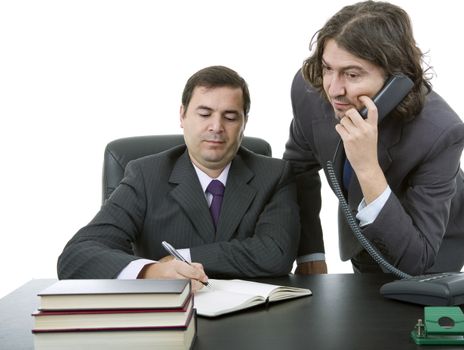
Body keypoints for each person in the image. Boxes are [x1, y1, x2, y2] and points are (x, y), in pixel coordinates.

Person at [58, 65, 300, 290]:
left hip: (251, 319)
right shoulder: (145, 176)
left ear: (244, 123)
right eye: (204, 114)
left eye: (230, 117)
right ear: (182, 116)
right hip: (166, 319)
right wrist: (151, 271)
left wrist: (183, 257)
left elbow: (275, 254)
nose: (216, 126)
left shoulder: (274, 175)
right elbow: (76, 256)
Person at [284, 0, 464, 275]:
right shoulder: (310, 92)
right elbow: (296, 173)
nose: (334, 89)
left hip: (431, 247)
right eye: (328, 68)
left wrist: (366, 167)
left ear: (395, 78)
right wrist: (309, 253)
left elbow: (417, 259)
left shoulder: (441, 131)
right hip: (362, 237)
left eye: (352, 74)